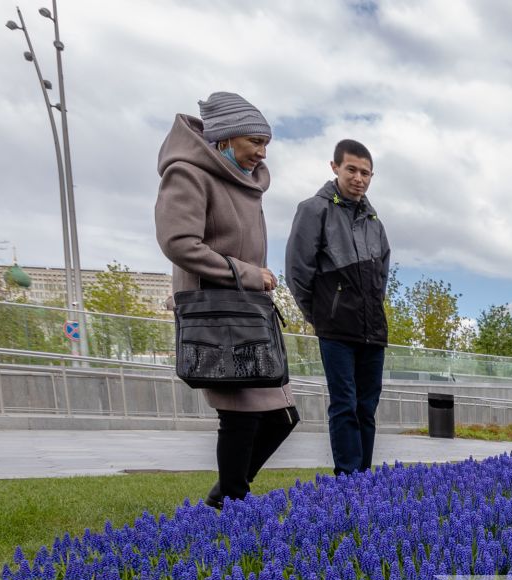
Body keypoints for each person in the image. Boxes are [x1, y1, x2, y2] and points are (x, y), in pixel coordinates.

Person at [155, 92, 297, 509]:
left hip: (248, 313)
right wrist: (248, 274)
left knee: (281, 415)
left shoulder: (244, 183)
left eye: (265, 143)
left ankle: (225, 496)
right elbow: (179, 242)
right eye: (254, 141)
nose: (261, 152)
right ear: (225, 137)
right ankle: (230, 502)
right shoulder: (188, 174)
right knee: (240, 416)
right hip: (219, 316)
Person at [286, 140, 391, 476]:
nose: (359, 178)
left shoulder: (375, 221)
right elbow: (297, 272)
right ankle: (347, 479)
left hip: (372, 330)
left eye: (365, 172)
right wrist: (319, 316)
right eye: (352, 170)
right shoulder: (314, 210)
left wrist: (371, 307)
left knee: (366, 407)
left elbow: (381, 277)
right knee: (344, 404)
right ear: (334, 167)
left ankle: (364, 476)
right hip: (336, 329)